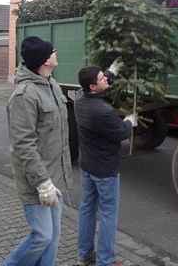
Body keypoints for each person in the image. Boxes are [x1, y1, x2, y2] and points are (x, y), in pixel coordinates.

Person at [2, 36, 73, 266]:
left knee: (53, 239)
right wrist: (43, 182)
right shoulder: (25, 95)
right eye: (52, 52)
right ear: (45, 61)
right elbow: (24, 144)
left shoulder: (51, 84)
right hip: (37, 181)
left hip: (56, 176)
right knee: (42, 236)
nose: (56, 54)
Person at [74, 66, 137, 266]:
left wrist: (112, 70)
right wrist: (129, 122)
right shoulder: (103, 111)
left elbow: (103, 80)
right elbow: (121, 133)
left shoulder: (79, 101)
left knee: (86, 209)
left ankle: (84, 255)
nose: (106, 80)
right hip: (105, 170)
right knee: (108, 214)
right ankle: (105, 261)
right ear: (93, 86)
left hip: (88, 166)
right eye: (102, 78)